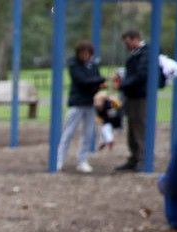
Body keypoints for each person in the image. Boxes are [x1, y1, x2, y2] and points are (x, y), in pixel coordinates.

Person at [57, 41, 105, 173]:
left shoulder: (93, 66)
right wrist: (100, 80)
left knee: (88, 133)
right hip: (77, 103)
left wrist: (100, 85)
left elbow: (95, 82)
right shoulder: (73, 65)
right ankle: (59, 160)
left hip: (90, 104)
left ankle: (82, 160)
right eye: (82, 53)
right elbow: (82, 81)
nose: (85, 56)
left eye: (88, 53)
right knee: (68, 132)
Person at [115, 30, 150, 171]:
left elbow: (141, 75)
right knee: (132, 127)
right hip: (132, 95)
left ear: (135, 39)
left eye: (127, 42)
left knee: (139, 127)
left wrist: (123, 84)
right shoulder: (138, 54)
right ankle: (134, 158)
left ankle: (142, 160)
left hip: (139, 96)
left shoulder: (146, 53)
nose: (126, 46)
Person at [93, 86, 122, 151]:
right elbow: (119, 106)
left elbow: (119, 106)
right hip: (110, 120)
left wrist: (113, 100)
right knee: (104, 130)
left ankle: (109, 140)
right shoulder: (103, 105)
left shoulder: (108, 103)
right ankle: (105, 141)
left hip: (111, 120)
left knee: (105, 130)